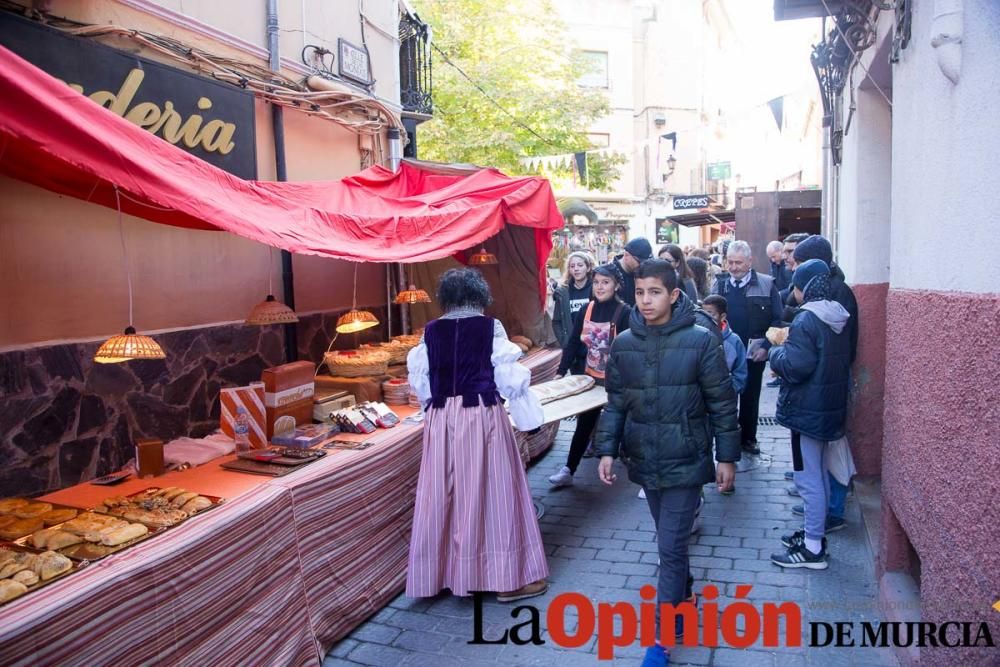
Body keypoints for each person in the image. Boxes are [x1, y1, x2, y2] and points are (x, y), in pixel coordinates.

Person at [594, 259, 739, 666]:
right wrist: (606, 449)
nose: (645, 300)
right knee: (669, 540)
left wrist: (727, 456)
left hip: (687, 458)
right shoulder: (623, 344)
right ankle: (686, 594)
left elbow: (722, 403)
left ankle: (661, 640)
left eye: (654, 292)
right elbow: (616, 404)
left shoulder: (700, 340)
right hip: (645, 458)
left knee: (669, 547)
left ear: (674, 295)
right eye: (639, 292)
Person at [406, 268, 549, 602]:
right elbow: (511, 380)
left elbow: (422, 386)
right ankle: (506, 581)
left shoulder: (431, 332)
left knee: (445, 492)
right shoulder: (490, 328)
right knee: (493, 491)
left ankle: (447, 574)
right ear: (479, 297)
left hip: (441, 421)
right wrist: (531, 419)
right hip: (480, 417)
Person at [768, 259, 851, 570]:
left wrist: (777, 353)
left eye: (797, 286)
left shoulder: (807, 320)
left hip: (807, 410)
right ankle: (815, 536)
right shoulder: (835, 315)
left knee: (808, 478)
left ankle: (813, 548)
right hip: (826, 407)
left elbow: (796, 365)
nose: (794, 292)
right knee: (818, 474)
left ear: (805, 288)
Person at [550, 264, 631, 487]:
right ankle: (568, 469)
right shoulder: (587, 309)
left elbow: (631, 350)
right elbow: (573, 342)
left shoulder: (625, 313)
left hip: (618, 381)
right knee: (584, 424)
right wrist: (560, 372)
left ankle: (643, 477)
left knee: (628, 425)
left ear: (616, 285)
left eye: (605, 282)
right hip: (590, 378)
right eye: (596, 282)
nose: (600, 286)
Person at [710, 241, 782, 456]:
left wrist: (767, 348)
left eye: (738, 262)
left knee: (750, 397)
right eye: (730, 262)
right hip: (724, 353)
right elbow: (708, 317)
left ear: (749, 262)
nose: (733, 267)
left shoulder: (767, 284)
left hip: (754, 352)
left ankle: (748, 439)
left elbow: (778, 321)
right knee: (725, 398)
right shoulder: (719, 285)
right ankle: (727, 440)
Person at [552, 251, 595, 348]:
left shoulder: (595, 290)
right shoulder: (563, 292)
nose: (576, 269)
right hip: (572, 345)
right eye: (572, 266)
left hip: (592, 344)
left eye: (580, 265)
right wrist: (564, 342)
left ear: (588, 268)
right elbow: (556, 321)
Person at [609, 237, 652, 306]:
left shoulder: (643, 272)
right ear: (626, 255)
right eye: (639, 261)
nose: (642, 265)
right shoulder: (609, 274)